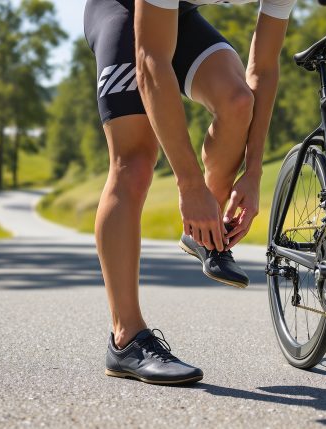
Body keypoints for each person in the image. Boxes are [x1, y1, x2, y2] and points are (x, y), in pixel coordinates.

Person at [83, 0, 296, 385]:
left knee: (237, 101)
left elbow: (262, 70)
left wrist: (252, 174)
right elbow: (150, 61)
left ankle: (205, 234)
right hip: (119, 9)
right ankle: (126, 339)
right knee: (133, 163)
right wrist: (188, 183)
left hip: (176, 12)